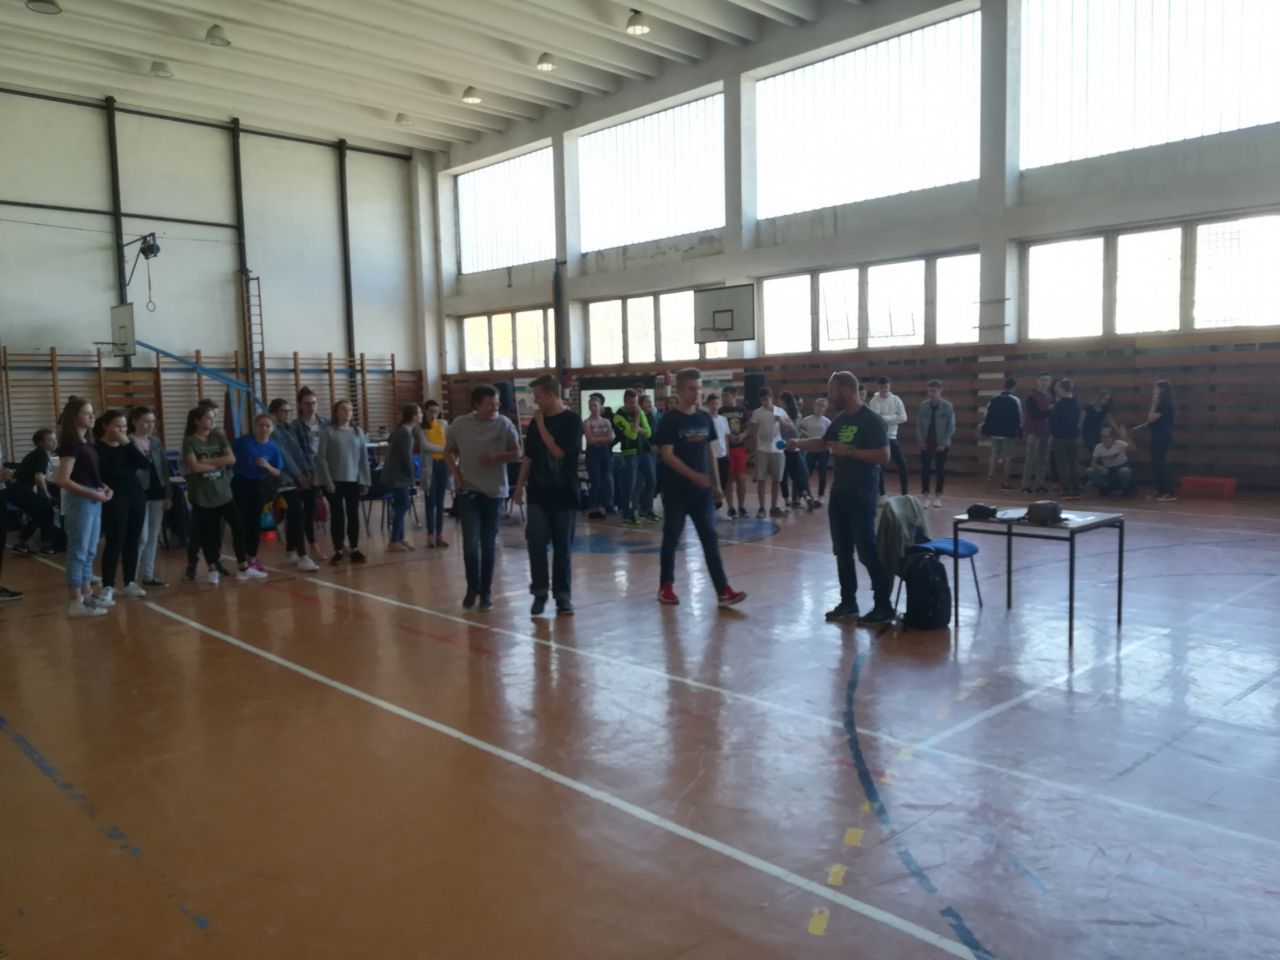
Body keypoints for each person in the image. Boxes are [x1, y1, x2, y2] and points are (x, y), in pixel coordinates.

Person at [790, 372, 894, 624]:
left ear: (846, 391)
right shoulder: (840, 419)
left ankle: (883, 606)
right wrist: (798, 443)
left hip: (862, 493)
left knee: (867, 550)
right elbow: (823, 443)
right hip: (840, 494)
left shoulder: (872, 420)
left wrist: (850, 451)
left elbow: (884, 456)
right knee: (842, 551)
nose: (829, 397)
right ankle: (848, 602)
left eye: (831, 391)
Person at [655, 368, 747, 608]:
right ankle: (666, 586)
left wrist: (715, 483)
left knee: (710, 539)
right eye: (691, 389)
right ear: (679, 390)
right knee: (672, 538)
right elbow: (667, 455)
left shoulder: (705, 418)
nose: (696, 393)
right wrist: (694, 476)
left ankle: (723, 590)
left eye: (698, 388)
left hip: (702, 494)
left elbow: (710, 451)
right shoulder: (670, 420)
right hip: (676, 492)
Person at [445, 383, 522, 610]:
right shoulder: (460, 424)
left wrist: (497, 457)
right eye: (490, 404)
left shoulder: (504, 424)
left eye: (497, 404)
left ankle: (486, 592)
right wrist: (456, 476)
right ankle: (472, 588)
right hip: (469, 490)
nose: (495, 408)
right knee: (470, 544)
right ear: (477, 405)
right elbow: (447, 452)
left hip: (494, 492)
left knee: (489, 544)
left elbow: (518, 452)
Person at [513, 375, 581, 616]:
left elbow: (558, 452)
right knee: (535, 541)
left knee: (562, 547)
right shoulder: (535, 423)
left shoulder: (572, 421)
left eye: (538, 397)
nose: (536, 402)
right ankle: (539, 592)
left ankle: (563, 595)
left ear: (551, 395)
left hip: (564, 493)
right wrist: (519, 486)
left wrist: (541, 425)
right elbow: (529, 457)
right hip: (538, 493)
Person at [183, 405, 257, 583]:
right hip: (202, 495)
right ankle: (212, 569)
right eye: (208, 418)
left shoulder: (218, 436)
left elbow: (231, 459)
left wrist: (207, 461)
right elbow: (194, 466)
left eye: (212, 418)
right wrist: (217, 463)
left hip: (223, 492)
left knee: (238, 525)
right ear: (197, 421)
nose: (212, 421)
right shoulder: (189, 441)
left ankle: (243, 566)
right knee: (208, 532)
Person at [55, 398, 112, 616]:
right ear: (74, 417)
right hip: (81, 501)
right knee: (78, 551)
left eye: (92, 412)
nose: (91, 417)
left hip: (93, 498)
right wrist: (92, 493)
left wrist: (103, 487)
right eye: (86, 413)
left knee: (89, 551)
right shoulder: (71, 444)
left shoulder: (87, 443)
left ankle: (87, 595)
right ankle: (75, 600)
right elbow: (63, 479)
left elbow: (88, 474)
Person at [95, 408, 151, 602]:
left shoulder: (127, 446)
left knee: (133, 540)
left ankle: (130, 582)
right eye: (117, 426)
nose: (121, 430)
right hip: (114, 498)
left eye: (124, 427)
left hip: (135, 496)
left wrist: (127, 443)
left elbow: (144, 464)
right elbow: (101, 474)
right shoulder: (97, 449)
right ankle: (107, 585)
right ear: (105, 426)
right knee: (115, 542)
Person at [314, 399, 372, 564]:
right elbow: (322, 459)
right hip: (334, 480)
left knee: (353, 514)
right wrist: (328, 480)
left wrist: (365, 480)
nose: (347, 413)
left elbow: (363, 458)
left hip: (353, 480)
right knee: (337, 515)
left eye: (350, 410)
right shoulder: (328, 432)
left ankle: (354, 548)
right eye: (343, 409)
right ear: (336, 412)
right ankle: (338, 549)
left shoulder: (357, 432)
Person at [268, 398, 319, 572]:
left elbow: (298, 452)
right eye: (283, 411)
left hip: (296, 475)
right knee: (297, 511)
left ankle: (291, 550)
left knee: (297, 512)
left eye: (288, 411)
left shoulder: (288, 429)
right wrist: (299, 475)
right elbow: (284, 456)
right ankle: (302, 555)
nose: (286, 414)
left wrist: (307, 471)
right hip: (282, 477)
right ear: (274, 413)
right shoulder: (273, 432)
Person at [232, 412, 285, 572]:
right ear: (255, 427)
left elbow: (277, 472)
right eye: (261, 425)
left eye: (267, 426)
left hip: (258, 485)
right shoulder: (243, 441)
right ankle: (241, 561)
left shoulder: (273, 448)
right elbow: (228, 454)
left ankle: (252, 557)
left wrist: (267, 466)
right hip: (240, 483)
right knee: (240, 523)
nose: (264, 428)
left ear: (272, 428)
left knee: (254, 522)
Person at [129, 407, 171, 588]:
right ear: (135, 422)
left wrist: (168, 493)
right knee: (142, 537)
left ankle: (148, 575)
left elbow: (164, 468)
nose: (150, 425)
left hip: (157, 492)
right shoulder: (129, 441)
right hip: (139, 493)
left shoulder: (156, 441)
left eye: (152, 421)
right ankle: (131, 577)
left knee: (153, 535)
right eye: (146, 421)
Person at [290, 387, 329, 560]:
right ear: (300, 405)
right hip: (308, 472)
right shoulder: (296, 426)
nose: (311, 407)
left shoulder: (326, 422)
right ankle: (312, 544)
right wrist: (304, 474)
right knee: (309, 509)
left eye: (314, 403)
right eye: (307, 404)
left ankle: (340, 544)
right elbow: (296, 452)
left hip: (326, 470)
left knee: (334, 504)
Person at [7, 428, 58, 556]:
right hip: (21, 491)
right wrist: (46, 494)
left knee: (40, 514)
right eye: (50, 440)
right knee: (47, 511)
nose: (54, 442)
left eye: (55, 439)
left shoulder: (37, 453)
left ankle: (21, 544)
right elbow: (39, 477)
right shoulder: (41, 454)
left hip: (16, 491)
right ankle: (46, 546)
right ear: (41, 443)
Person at [382, 403, 423, 552]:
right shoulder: (405, 433)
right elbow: (407, 458)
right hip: (398, 477)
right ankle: (394, 540)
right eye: (420, 413)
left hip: (398, 476)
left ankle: (400, 538)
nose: (421, 415)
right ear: (413, 417)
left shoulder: (404, 431)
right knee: (403, 505)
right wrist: (413, 477)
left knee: (402, 505)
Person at [745, 387, 789, 518]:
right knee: (761, 480)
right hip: (762, 449)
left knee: (776, 480)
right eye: (762, 400)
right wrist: (755, 450)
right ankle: (762, 508)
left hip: (778, 450)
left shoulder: (780, 411)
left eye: (766, 400)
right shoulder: (757, 413)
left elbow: (791, 427)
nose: (764, 403)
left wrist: (781, 421)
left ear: (772, 398)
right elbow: (753, 432)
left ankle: (774, 507)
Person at [1133, 379, 1178, 502]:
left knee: (1160, 464)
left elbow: (1151, 418)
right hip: (1157, 437)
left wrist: (1153, 403)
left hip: (1162, 438)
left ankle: (1169, 492)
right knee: (1155, 464)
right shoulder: (1163, 405)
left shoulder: (1165, 405)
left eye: (1156, 388)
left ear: (1162, 390)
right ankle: (1161, 490)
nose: (1154, 391)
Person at [612, 389, 652, 526]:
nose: (633, 405)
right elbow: (632, 435)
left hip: (643, 452)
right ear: (624, 401)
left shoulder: (639, 411)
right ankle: (627, 514)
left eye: (635, 402)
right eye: (630, 403)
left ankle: (643, 509)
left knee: (650, 481)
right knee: (630, 485)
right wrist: (637, 417)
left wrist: (636, 426)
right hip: (629, 453)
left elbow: (648, 432)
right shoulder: (618, 416)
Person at [868, 377, 909, 503]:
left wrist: (885, 418)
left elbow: (903, 417)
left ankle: (905, 494)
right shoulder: (873, 401)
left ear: (889, 386)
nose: (884, 389)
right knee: (880, 467)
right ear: (878, 387)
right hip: (879, 438)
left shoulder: (896, 400)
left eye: (886, 387)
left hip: (892, 437)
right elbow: (875, 420)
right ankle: (882, 494)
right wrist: (893, 417)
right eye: (881, 387)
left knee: (903, 464)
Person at [915, 380, 955, 509]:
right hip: (927, 442)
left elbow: (951, 426)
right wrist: (921, 441)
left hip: (941, 443)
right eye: (929, 391)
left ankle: (938, 496)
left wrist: (943, 443)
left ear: (940, 391)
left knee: (940, 470)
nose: (931, 394)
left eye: (934, 391)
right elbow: (919, 425)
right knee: (925, 469)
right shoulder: (923, 406)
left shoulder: (947, 406)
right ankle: (925, 496)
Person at [980, 378, 1022, 492]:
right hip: (1009, 433)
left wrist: (987, 429)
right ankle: (1005, 482)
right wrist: (1019, 431)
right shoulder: (1015, 400)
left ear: (1004, 386)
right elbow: (1019, 418)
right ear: (1014, 387)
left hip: (995, 432)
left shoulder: (994, 399)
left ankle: (990, 479)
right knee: (1007, 458)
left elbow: (986, 415)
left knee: (994, 456)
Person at [421, 399, 450, 547]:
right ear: (425, 412)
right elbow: (426, 446)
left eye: (436, 412)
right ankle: (430, 535)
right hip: (430, 466)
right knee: (430, 502)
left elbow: (450, 441)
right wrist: (445, 449)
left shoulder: (443, 424)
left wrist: (447, 450)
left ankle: (439, 535)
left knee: (440, 502)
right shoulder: (420, 427)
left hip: (442, 465)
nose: (433, 414)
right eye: (431, 411)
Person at [583, 393, 615, 521]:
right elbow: (590, 440)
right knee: (596, 481)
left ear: (600, 406)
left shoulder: (606, 421)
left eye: (595, 405)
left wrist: (598, 439)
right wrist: (603, 439)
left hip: (604, 452)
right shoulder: (587, 422)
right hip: (592, 453)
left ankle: (601, 506)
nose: (593, 408)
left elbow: (611, 438)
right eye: (591, 406)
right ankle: (592, 507)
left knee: (604, 480)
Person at [778, 391, 813, 509]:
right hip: (787, 447)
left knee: (795, 474)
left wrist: (780, 422)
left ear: (785, 402)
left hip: (790, 446)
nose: (779, 403)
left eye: (781, 401)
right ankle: (794, 497)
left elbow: (793, 430)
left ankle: (802, 495)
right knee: (790, 474)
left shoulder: (792, 415)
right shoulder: (790, 414)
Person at [719, 385, 749, 518]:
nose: (724, 398)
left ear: (734, 396)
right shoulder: (721, 411)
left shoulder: (742, 410)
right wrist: (727, 436)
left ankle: (741, 506)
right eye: (723, 396)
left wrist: (743, 435)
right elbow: (719, 429)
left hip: (740, 447)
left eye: (727, 396)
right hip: (727, 449)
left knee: (741, 478)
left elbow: (748, 428)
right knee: (728, 478)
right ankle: (730, 507)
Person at [1049, 377, 1083, 500]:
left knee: (1062, 464)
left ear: (1062, 389)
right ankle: (1076, 487)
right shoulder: (1076, 403)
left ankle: (1067, 488)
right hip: (1073, 436)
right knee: (1073, 463)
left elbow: (1054, 423)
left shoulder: (1059, 405)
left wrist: (1052, 435)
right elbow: (1078, 420)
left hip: (1060, 437)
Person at [1022, 373, 1054, 494]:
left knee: (1043, 459)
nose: (1045, 382)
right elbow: (1035, 414)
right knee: (1031, 459)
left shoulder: (1050, 397)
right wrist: (1049, 411)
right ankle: (1026, 485)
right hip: (1033, 431)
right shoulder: (1032, 397)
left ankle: (1040, 484)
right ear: (1038, 381)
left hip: (1046, 431)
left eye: (1047, 380)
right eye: (1042, 380)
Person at [800, 397, 832, 504]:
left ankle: (820, 496)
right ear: (813, 406)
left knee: (822, 474)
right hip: (810, 450)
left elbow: (829, 437)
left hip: (823, 451)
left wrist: (828, 447)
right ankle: (806, 495)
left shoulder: (827, 422)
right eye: (818, 405)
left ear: (825, 409)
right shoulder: (806, 420)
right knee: (806, 473)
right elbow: (801, 434)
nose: (820, 408)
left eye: (823, 406)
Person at [635, 394, 660, 521]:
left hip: (652, 453)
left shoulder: (651, 416)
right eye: (647, 402)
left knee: (650, 481)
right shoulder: (639, 416)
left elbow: (654, 433)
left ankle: (647, 508)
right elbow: (640, 434)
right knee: (649, 481)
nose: (649, 404)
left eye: (650, 402)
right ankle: (644, 508)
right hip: (643, 452)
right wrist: (650, 445)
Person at [1086, 428, 1133, 495]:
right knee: (1089, 470)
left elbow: (1134, 448)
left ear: (1112, 437)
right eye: (1103, 437)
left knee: (1124, 471)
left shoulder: (1119, 443)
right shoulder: (1098, 447)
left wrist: (1126, 437)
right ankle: (1105, 487)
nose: (1105, 439)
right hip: (1108, 470)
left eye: (1107, 436)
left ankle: (1125, 487)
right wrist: (1099, 467)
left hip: (1121, 467)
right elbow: (1093, 463)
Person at [704, 392, 730, 506]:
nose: (714, 406)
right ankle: (711, 502)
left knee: (723, 480)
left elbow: (726, 437)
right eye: (712, 404)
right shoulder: (705, 420)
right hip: (711, 456)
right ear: (708, 405)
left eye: (716, 403)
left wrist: (727, 453)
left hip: (722, 455)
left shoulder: (723, 419)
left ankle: (718, 500)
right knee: (711, 481)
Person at [1081, 388, 1123, 452]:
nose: (1105, 401)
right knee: (1093, 448)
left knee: (1099, 449)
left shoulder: (1105, 408)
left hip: (1098, 432)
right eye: (1105, 399)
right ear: (1100, 397)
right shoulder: (1088, 407)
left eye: (1107, 400)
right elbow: (1081, 419)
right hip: (1088, 432)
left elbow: (1111, 421)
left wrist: (1118, 432)